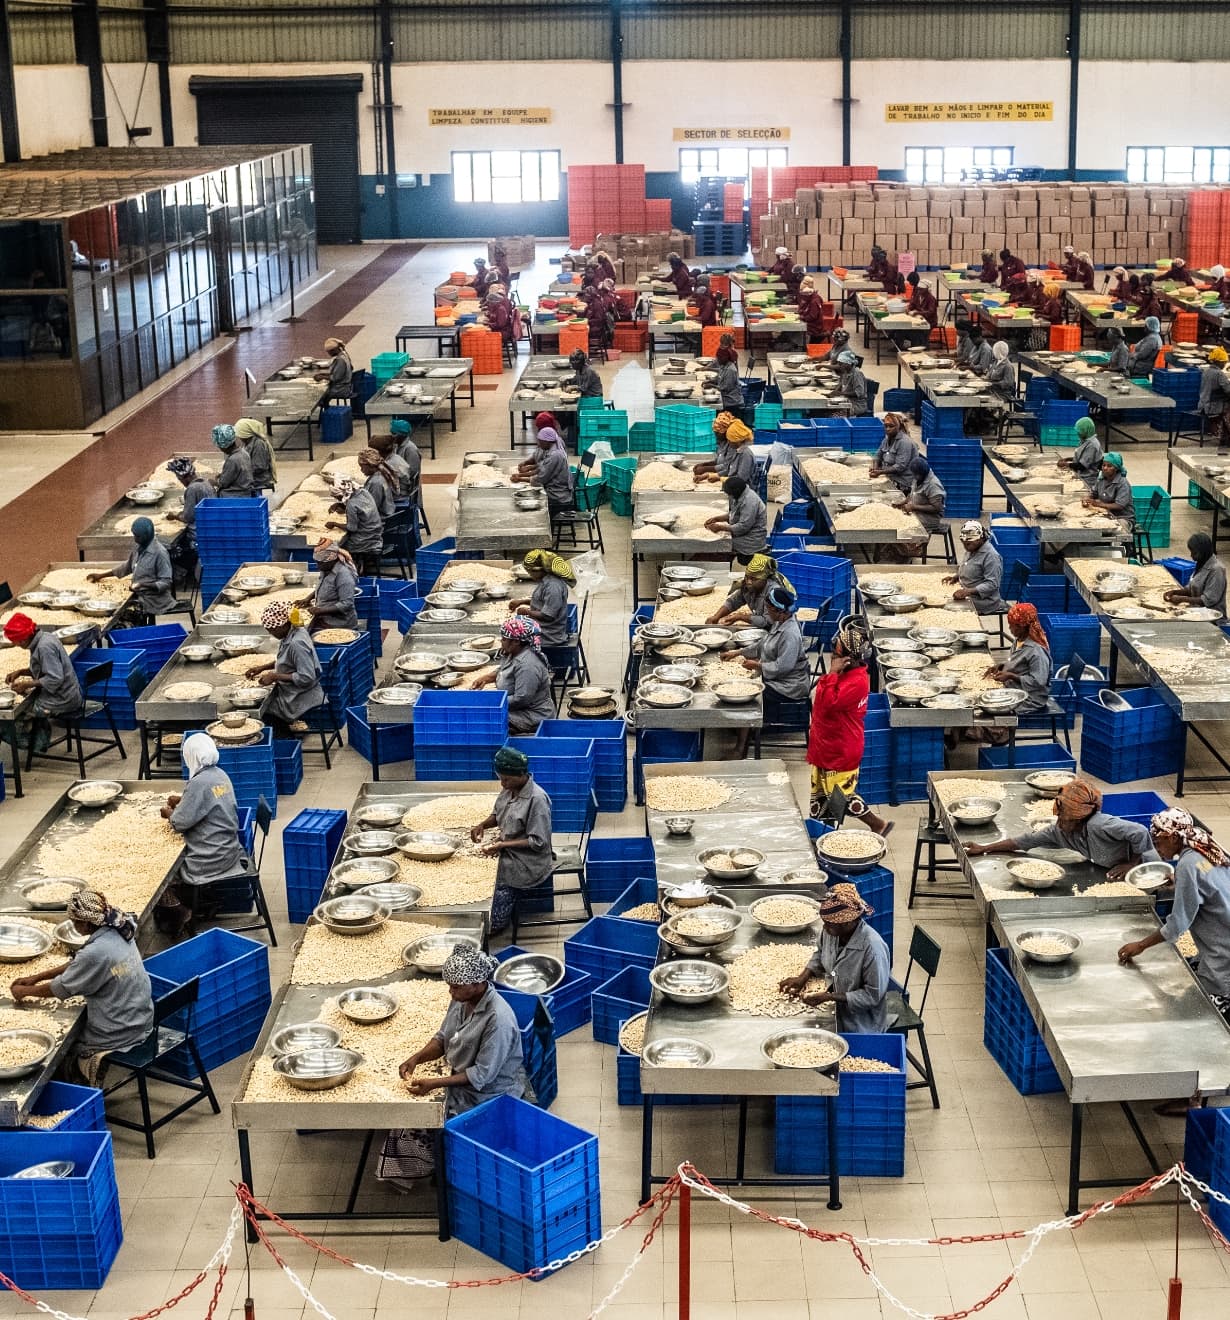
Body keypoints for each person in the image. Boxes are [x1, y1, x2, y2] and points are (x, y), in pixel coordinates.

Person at [378, 946, 529, 1188]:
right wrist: (416, 1058)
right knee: (405, 1112)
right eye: (450, 986)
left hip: (487, 1094)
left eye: (456, 987)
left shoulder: (498, 1020)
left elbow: (482, 1074)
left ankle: (435, 1172)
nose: (450, 991)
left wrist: (434, 1084)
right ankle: (408, 1171)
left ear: (479, 984)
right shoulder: (462, 999)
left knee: (420, 1123)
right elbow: (442, 1038)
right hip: (458, 1076)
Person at [11, 889, 153, 1086]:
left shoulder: (96, 952)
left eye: (75, 921)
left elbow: (61, 988)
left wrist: (24, 993)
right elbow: (79, 964)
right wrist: (36, 977)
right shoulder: (119, 926)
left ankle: (79, 1084)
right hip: (141, 1017)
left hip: (120, 1030)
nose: (73, 925)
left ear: (86, 923)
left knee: (61, 1047)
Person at [1118, 808, 1230, 1027]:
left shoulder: (1189, 864)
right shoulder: (1205, 847)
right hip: (1223, 926)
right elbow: (1209, 880)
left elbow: (1178, 923)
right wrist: (1180, 882)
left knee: (1209, 1013)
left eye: (1158, 842)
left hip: (1224, 948)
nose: (1157, 849)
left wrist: (1140, 945)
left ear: (1171, 836)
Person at [967, 778, 1160, 877]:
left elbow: (1139, 831)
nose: (1059, 822)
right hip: (1115, 872)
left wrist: (1131, 864)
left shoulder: (1099, 825)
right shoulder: (1059, 832)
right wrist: (985, 848)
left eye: (1064, 818)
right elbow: (1024, 841)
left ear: (1078, 818)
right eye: (1059, 816)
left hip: (1146, 867)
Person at [805, 616, 891, 833]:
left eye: (837, 652)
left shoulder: (856, 682)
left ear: (849, 659)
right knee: (822, 793)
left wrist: (831, 673)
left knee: (840, 794)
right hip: (827, 743)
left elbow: (826, 701)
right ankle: (823, 832)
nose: (833, 655)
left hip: (840, 747)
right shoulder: (847, 676)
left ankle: (877, 824)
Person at [778, 883, 891, 1033]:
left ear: (848, 922)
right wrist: (802, 978)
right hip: (835, 1005)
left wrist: (830, 997)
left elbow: (872, 996)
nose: (824, 928)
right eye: (824, 923)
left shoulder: (872, 949)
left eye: (829, 925)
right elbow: (820, 953)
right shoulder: (833, 932)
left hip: (861, 1021)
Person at [471, 745, 555, 934]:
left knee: (494, 885)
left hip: (528, 861)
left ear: (521, 774)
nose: (502, 784)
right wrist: (483, 825)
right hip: (508, 848)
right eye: (500, 778)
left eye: (506, 779)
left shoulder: (537, 800)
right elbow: (499, 814)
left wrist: (502, 845)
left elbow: (538, 842)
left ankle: (498, 920)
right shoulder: (510, 789)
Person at [163, 732, 252, 898]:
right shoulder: (220, 774)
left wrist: (168, 813)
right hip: (230, 851)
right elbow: (209, 801)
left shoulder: (199, 783)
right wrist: (183, 800)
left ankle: (180, 910)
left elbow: (179, 823)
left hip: (209, 860)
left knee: (164, 870)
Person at [724, 584, 810, 752]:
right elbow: (762, 643)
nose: (766, 612)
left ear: (779, 611)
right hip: (778, 676)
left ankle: (740, 747)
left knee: (749, 696)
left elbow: (782, 668)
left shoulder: (790, 634)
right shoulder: (780, 622)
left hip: (789, 685)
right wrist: (738, 652)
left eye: (768, 608)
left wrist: (757, 665)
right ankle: (743, 727)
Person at [1, 612, 82, 751]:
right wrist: (21, 672)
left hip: (63, 699)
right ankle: (40, 737)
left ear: (24, 638)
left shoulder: (44, 647)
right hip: (68, 693)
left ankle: (37, 743)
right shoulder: (45, 637)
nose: (15, 644)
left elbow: (55, 678)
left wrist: (28, 684)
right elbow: (46, 669)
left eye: (16, 641)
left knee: (13, 716)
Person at [246, 601, 325, 736]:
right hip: (295, 690)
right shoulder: (293, 632)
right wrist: (263, 667)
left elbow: (307, 677)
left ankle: (285, 739)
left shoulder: (297, 643)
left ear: (283, 625)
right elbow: (287, 660)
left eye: (272, 630)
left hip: (302, 695)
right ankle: (284, 733)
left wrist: (275, 676)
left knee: (263, 709)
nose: (271, 634)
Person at [476, 616, 555, 735]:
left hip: (531, 715)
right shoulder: (514, 653)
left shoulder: (528, 666)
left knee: (484, 720)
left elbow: (521, 699)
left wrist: (493, 701)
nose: (501, 641)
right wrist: (486, 678)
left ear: (516, 641)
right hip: (519, 709)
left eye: (504, 639)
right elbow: (504, 669)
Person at [89, 516, 175, 617]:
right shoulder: (139, 547)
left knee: (123, 615)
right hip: (138, 594)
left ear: (147, 535)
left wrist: (143, 585)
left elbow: (166, 582)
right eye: (134, 536)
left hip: (154, 601)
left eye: (138, 536)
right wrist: (101, 575)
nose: (135, 539)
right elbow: (127, 566)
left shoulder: (160, 553)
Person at [982, 602, 1053, 715]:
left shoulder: (1036, 651)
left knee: (990, 708)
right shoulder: (1019, 639)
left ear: (1023, 627)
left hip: (1029, 698)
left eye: (1012, 625)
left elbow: (1039, 682)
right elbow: (1017, 661)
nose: (1009, 628)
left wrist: (1011, 676)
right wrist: (1002, 666)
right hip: (1015, 688)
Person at [706, 553, 793, 628]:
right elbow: (733, 602)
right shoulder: (748, 587)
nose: (749, 582)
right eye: (747, 577)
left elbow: (767, 622)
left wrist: (740, 617)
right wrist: (716, 616)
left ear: (765, 579)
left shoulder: (773, 593)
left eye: (754, 579)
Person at [511, 549, 573, 646]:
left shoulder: (553, 587)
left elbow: (548, 615)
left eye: (530, 572)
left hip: (548, 635)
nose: (530, 574)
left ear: (540, 570)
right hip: (544, 628)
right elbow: (542, 602)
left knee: (511, 634)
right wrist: (521, 601)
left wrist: (527, 612)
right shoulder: (546, 581)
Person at [891, 455, 946, 561]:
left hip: (929, 518)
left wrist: (914, 507)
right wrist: (901, 503)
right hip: (917, 512)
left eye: (916, 475)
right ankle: (897, 553)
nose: (914, 477)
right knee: (894, 519)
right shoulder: (917, 479)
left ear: (922, 473)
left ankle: (907, 553)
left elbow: (937, 508)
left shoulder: (933, 485)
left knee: (903, 525)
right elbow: (912, 494)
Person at [945, 521, 1006, 615]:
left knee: (946, 607)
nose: (965, 547)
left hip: (984, 601)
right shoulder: (972, 548)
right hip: (968, 592)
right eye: (963, 543)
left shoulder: (991, 556)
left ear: (980, 539)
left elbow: (992, 584)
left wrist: (968, 591)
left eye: (968, 544)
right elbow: (968, 565)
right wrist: (957, 577)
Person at [705, 474, 766, 567]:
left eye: (730, 494)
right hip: (744, 533)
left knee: (719, 544)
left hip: (751, 539)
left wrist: (721, 527)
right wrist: (717, 518)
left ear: (736, 491)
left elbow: (743, 527)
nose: (730, 496)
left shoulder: (749, 502)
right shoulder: (740, 494)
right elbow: (735, 514)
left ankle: (721, 569)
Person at [324, 478, 383, 575]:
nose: (337, 499)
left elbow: (352, 528)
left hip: (365, 540)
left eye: (338, 497)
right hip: (376, 534)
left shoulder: (351, 504)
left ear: (342, 494)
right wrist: (341, 504)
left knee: (336, 547)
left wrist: (335, 524)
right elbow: (360, 509)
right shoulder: (364, 492)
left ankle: (348, 572)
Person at [513, 425, 573, 519]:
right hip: (557, 491)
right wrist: (523, 473)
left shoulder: (555, 456)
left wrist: (520, 478)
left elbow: (541, 479)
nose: (539, 444)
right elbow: (541, 468)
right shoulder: (552, 450)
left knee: (530, 510)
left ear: (547, 441)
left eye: (540, 441)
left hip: (558, 496)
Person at [1164, 532, 1226, 618]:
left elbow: (1208, 600)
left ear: (1204, 552)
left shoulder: (1217, 570)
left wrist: (1182, 599)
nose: (1191, 556)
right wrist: (1174, 592)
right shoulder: (1201, 563)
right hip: (1196, 612)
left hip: (1212, 618)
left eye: (1194, 553)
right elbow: (1191, 589)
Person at [303, 539, 360, 633]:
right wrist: (308, 598)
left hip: (338, 624)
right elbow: (324, 587)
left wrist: (320, 611)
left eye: (320, 563)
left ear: (331, 560)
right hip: (324, 618)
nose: (318, 566)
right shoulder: (325, 569)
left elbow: (347, 604)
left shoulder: (344, 576)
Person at [164, 457, 214, 548]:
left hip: (199, 535)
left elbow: (188, 518)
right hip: (210, 530)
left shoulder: (192, 489)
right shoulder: (206, 483)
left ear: (185, 477)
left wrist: (174, 516)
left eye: (180, 480)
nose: (181, 483)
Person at [869, 412, 918, 493]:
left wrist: (880, 472)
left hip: (903, 483)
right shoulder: (887, 439)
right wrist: (875, 468)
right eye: (886, 426)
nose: (887, 429)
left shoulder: (904, 442)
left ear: (899, 427)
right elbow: (878, 455)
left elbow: (900, 466)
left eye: (891, 426)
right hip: (890, 478)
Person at [1083, 452, 1135, 526]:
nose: (1105, 468)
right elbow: (1094, 493)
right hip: (1106, 514)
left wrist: (1098, 504)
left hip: (1122, 518)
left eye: (1109, 466)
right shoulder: (1101, 479)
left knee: (1116, 529)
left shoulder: (1122, 483)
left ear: (1116, 468)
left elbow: (1119, 506)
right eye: (1103, 465)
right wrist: (1087, 498)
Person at [1059, 416, 1105, 491]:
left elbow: (1082, 466)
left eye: (1080, 432)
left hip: (1087, 479)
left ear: (1086, 431)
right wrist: (1067, 459)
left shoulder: (1092, 445)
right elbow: (1081, 457)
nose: (1078, 434)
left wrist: (1066, 464)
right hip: (1081, 475)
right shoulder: (1085, 440)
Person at [1197, 346, 1230, 448]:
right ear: (1219, 362)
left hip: (1203, 405)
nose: (1225, 364)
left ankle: (1225, 438)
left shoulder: (1206, 371)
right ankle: (1225, 436)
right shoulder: (1219, 374)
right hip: (1212, 407)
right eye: (1224, 362)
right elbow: (1228, 390)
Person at [233, 419, 275, 494]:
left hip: (259, 479)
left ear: (245, 434)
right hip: (252, 476)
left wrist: (241, 473)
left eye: (240, 435)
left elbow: (259, 466)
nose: (239, 438)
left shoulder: (258, 444)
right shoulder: (247, 443)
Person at [388, 419, 422, 508]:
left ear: (402, 435)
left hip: (406, 489)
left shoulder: (410, 449)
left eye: (394, 434)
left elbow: (413, 473)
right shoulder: (398, 446)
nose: (392, 436)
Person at [359, 446, 398, 521]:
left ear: (370, 465)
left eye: (362, 467)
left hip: (381, 519)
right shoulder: (381, 474)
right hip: (385, 512)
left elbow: (370, 510)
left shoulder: (376, 483)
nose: (361, 470)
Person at [369, 432, 411, 500]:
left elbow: (380, 485)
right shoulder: (396, 457)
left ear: (378, 451)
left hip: (398, 496)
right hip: (403, 490)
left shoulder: (388, 465)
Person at [314, 337, 353, 402]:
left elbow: (336, 378)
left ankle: (326, 409)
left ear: (334, 350)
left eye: (329, 352)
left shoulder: (340, 360)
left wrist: (322, 377)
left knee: (318, 394)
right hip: (345, 387)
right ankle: (326, 408)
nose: (329, 354)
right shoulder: (344, 355)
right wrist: (323, 374)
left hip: (341, 389)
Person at [833, 349, 869, 416]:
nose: (839, 365)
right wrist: (835, 391)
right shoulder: (846, 371)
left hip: (856, 405)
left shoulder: (857, 374)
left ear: (848, 363)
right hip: (847, 401)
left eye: (841, 363)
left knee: (834, 416)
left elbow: (859, 393)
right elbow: (842, 383)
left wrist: (841, 393)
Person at [712, 346, 744, 411]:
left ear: (725, 358)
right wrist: (710, 381)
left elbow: (725, 388)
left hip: (732, 403)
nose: (718, 360)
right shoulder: (724, 366)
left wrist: (712, 386)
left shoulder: (731, 370)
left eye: (719, 358)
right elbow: (720, 378)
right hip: (726, 399)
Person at [797, 277, 827, 342]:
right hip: (810, 324)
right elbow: (802, 309)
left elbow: (812, 316)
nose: (802, 295)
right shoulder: (808, 299)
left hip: (814, 328)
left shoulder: (814, 301)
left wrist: (802, 317)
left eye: (803, 293)